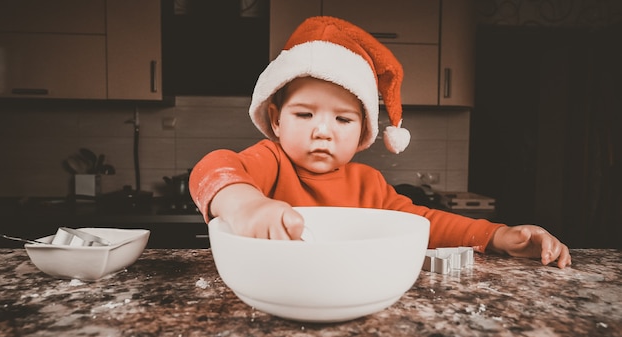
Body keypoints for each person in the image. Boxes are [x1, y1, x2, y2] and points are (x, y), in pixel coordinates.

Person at [189, 16, 571, 268]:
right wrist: (247, 205)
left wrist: (499, 235)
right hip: (274, 295)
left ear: (362, 134)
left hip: (350, 297)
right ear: (275, 119)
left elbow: (425, 224)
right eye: (304, 114)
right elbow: (212, 170)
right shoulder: (270, 160)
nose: (322, 131)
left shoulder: (368, 185)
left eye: (343, 119)